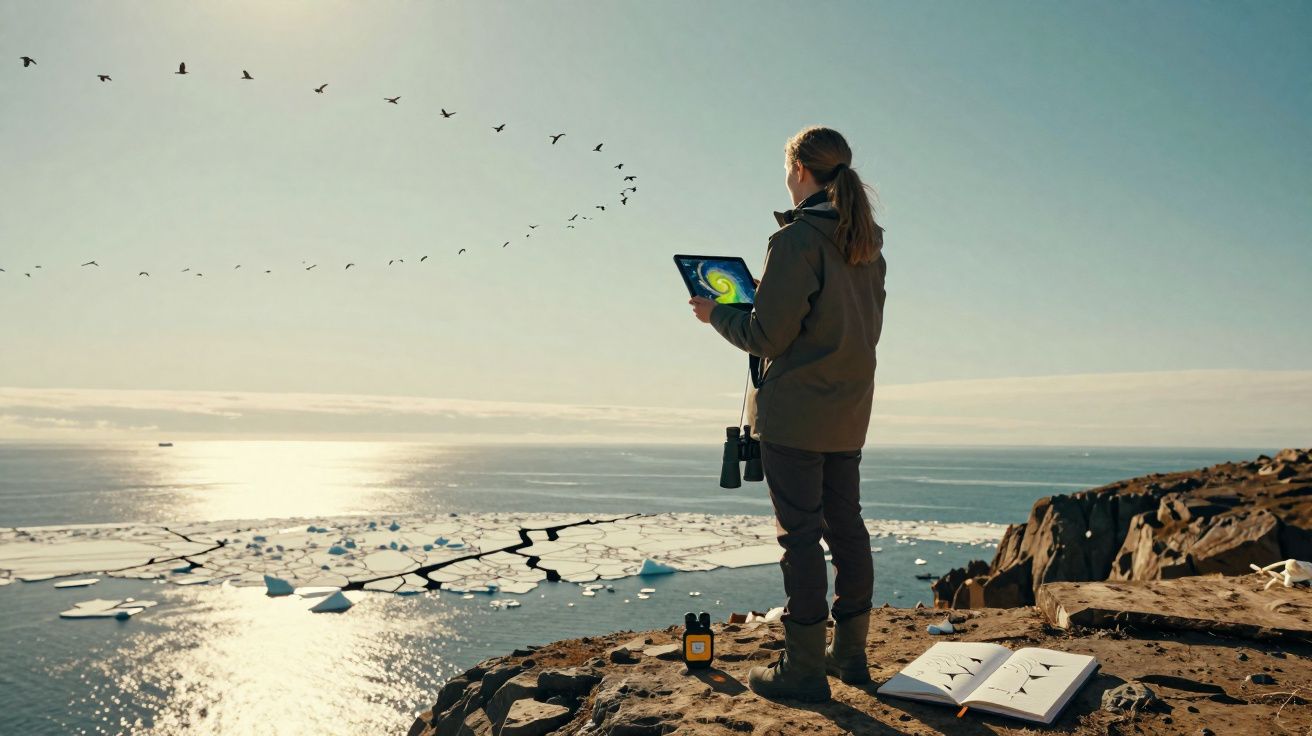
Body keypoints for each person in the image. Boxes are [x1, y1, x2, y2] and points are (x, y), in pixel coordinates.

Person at [689, 125, 887, 702]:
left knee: (800, 538)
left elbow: (767, 334)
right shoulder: (867, 243)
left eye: (785, 168)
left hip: (797, 414)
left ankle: (802, 671)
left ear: (800, 171)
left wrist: (717, 314)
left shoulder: (797, 241)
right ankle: (849, 657)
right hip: (849, 412)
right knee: (846, 528)